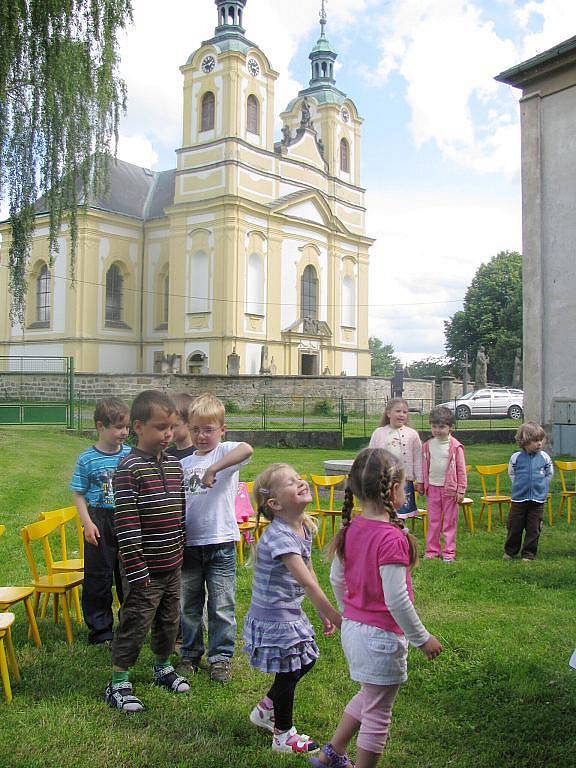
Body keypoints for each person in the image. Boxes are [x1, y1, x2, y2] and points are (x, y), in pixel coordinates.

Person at [315, 448, 442, 768]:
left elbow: (336, 578)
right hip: (381, 638)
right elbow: (397, 599)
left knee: (371, 695)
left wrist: (349, 613)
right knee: (378, 714)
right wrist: (422, 638)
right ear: (395, 490)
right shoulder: (391, 538)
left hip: (355, 633)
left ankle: (331, 754)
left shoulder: (350, 530)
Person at [244, 463, 341, 755]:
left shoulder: (302, 526)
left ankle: (265, 709)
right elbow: (308, 585)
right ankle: (283, 736)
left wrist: (322, 612)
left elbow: (309, 573)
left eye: (299, 478)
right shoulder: (281, 537)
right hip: (274, 616)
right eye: (290, 482)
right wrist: (337, 616)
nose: (299, 482)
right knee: (289, 671)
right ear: (274, 504)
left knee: (306, 660)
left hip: (288, 610)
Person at [105, 390, 189, 713]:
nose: (168, 434)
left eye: (171, 427)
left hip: (173, 564)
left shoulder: (174, 465)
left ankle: (162, 666)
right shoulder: (129, 468)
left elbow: (180, 512)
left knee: (169, 621)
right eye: (160, 427)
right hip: (144, 571)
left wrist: (179, 550)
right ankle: (119, 682)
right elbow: (125, 524)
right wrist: (136, 569)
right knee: (136, 622)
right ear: (138, 427)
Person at [179, 393, 253, 683]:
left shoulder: (224, 453)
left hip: (220, 542)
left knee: (222, 604)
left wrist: (213, 468)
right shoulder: (184, 465)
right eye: (195, 429)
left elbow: (247, 449)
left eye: (208, 429)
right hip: (189, 545)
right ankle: (190, 653)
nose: (201, 435)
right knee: (189, 604)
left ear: (222, 430)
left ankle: (220, 657)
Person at [70, 398, 130, 645]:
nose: (124, 432)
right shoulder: (87, 459)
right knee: (98, 577)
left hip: (126, 519)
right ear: (100, 427)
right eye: (118, 427)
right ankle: (101, 630)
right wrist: (87, 523)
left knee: (129, 575)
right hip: (99, 520)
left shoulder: (130, 455)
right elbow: (78, 492)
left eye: (126, 427)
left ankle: (129, 626)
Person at [421, 406, 467, 562]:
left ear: (450, 427)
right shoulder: (427, 446)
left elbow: (461, 470)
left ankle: (449, 552)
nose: (437, 430)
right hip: (433, 488)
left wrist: (461, 490)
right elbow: (424, 468)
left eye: (441, 427)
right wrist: (422, 484)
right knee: (433, 521)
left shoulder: (456, 447)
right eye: (434, 426)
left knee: (449, 522)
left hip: (450, 491)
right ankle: (432, 551)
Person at [504, 422, 553, 562]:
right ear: (524, 442)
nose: (539, 444)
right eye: (535, 441)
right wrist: (519, 486)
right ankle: (510, 551)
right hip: (519, 499)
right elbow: (512, 473)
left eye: (540, 440)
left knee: (534, 528)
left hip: (537, 500)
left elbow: (549, 474)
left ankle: (528, 553)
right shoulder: (516, 458)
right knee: (515, 526)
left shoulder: (544, 457)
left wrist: (541, 486)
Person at [369, 398, 423, 515]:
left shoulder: (412, 434)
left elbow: (418, 459)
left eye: (404, 412)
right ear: (388, 413)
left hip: (404, 482)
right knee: (384, 512)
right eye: (398, 411)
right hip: (383, 481)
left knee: (400, 514)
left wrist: (420, 480)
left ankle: (400, 533)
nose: (401, 415)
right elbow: (370, 457)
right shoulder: (378, 433)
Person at [166, 392, 196, 461]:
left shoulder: (198, 453)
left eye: (173, 426)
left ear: (189, 423)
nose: (168, 432)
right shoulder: (167, 454)